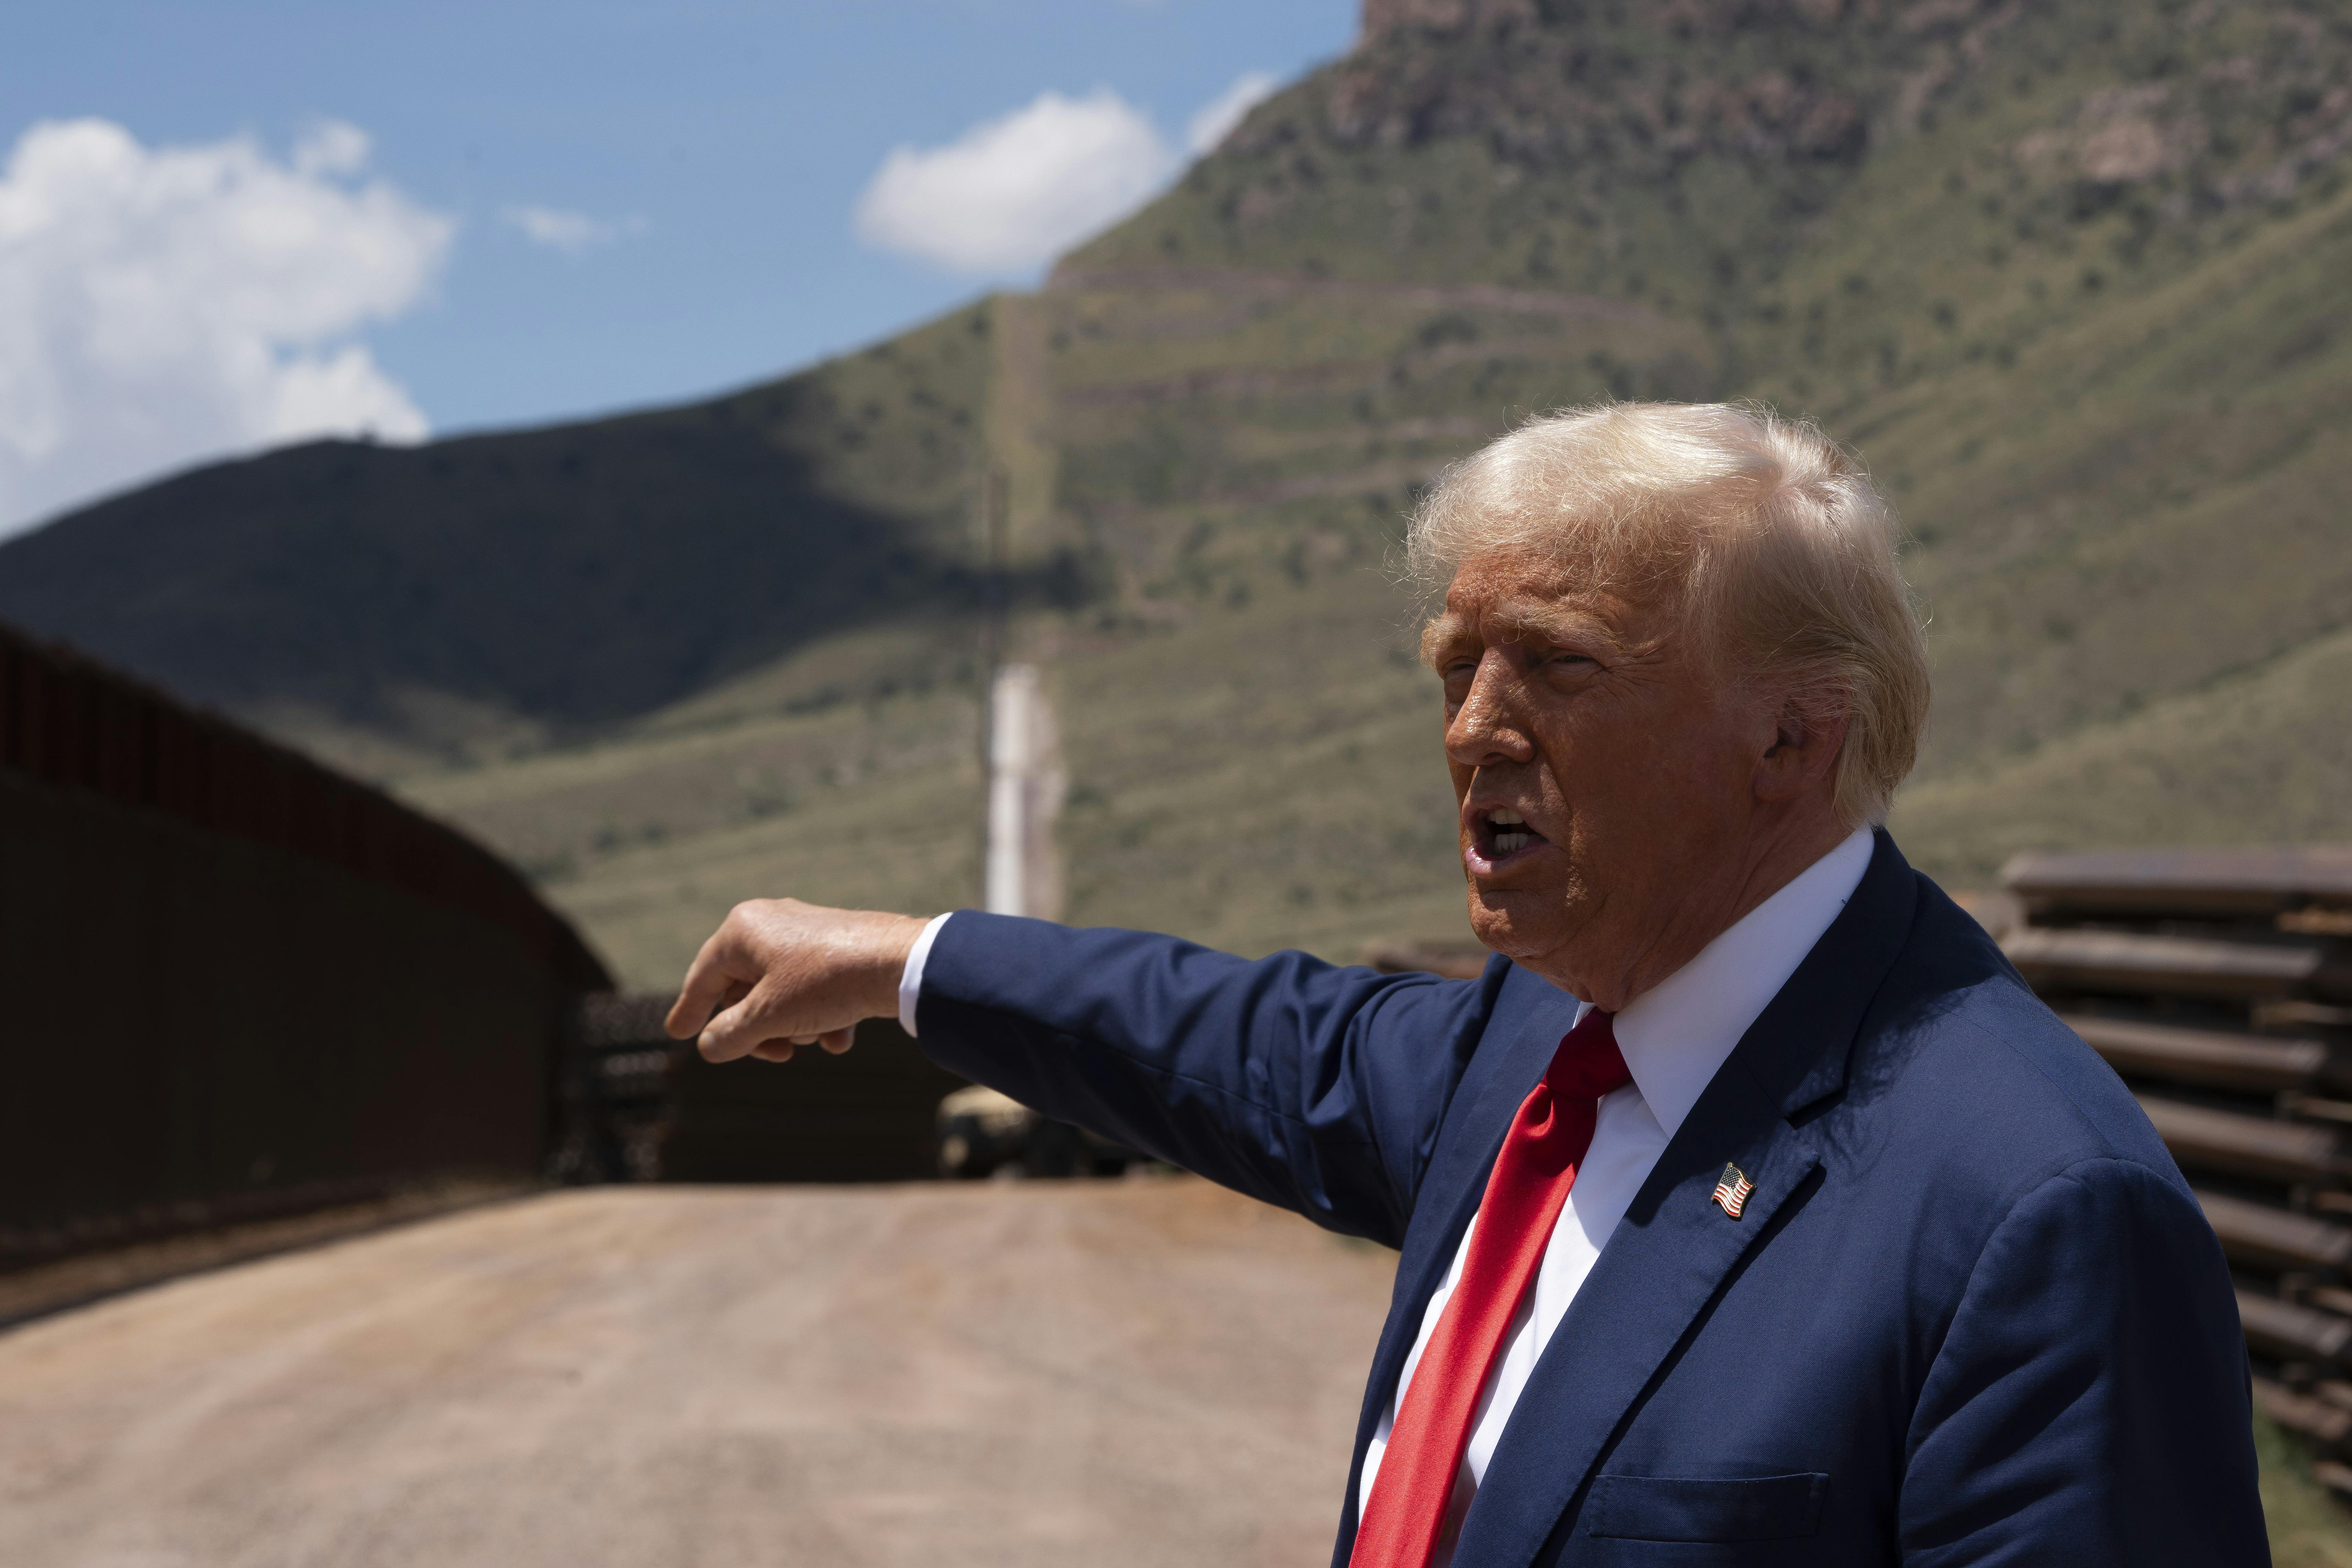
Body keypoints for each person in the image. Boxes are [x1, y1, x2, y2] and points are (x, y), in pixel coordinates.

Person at [667, 403, 2266, 1566]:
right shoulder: (1545, 1043)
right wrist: (906, 962)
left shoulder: (2030, 1209)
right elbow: (1240, 1042)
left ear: (1793, 737)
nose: (1471, 729)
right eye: (1454, 664)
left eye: (1558, 664)